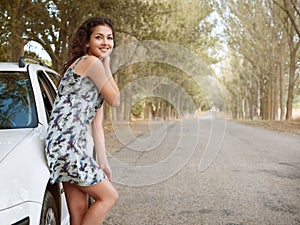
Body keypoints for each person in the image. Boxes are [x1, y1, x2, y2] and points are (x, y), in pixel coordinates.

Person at [45, 16, 119, 225]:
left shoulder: (92, 73)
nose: (106, 42)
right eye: (99, 37)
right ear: (87, 42)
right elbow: (115, 98)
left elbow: (97, 125)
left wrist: (103, 163)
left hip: (64, 147)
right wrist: (107, 63)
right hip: (66, 146)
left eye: (110, 38)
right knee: (109, 196)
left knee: (78, 217)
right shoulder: (91, 62)